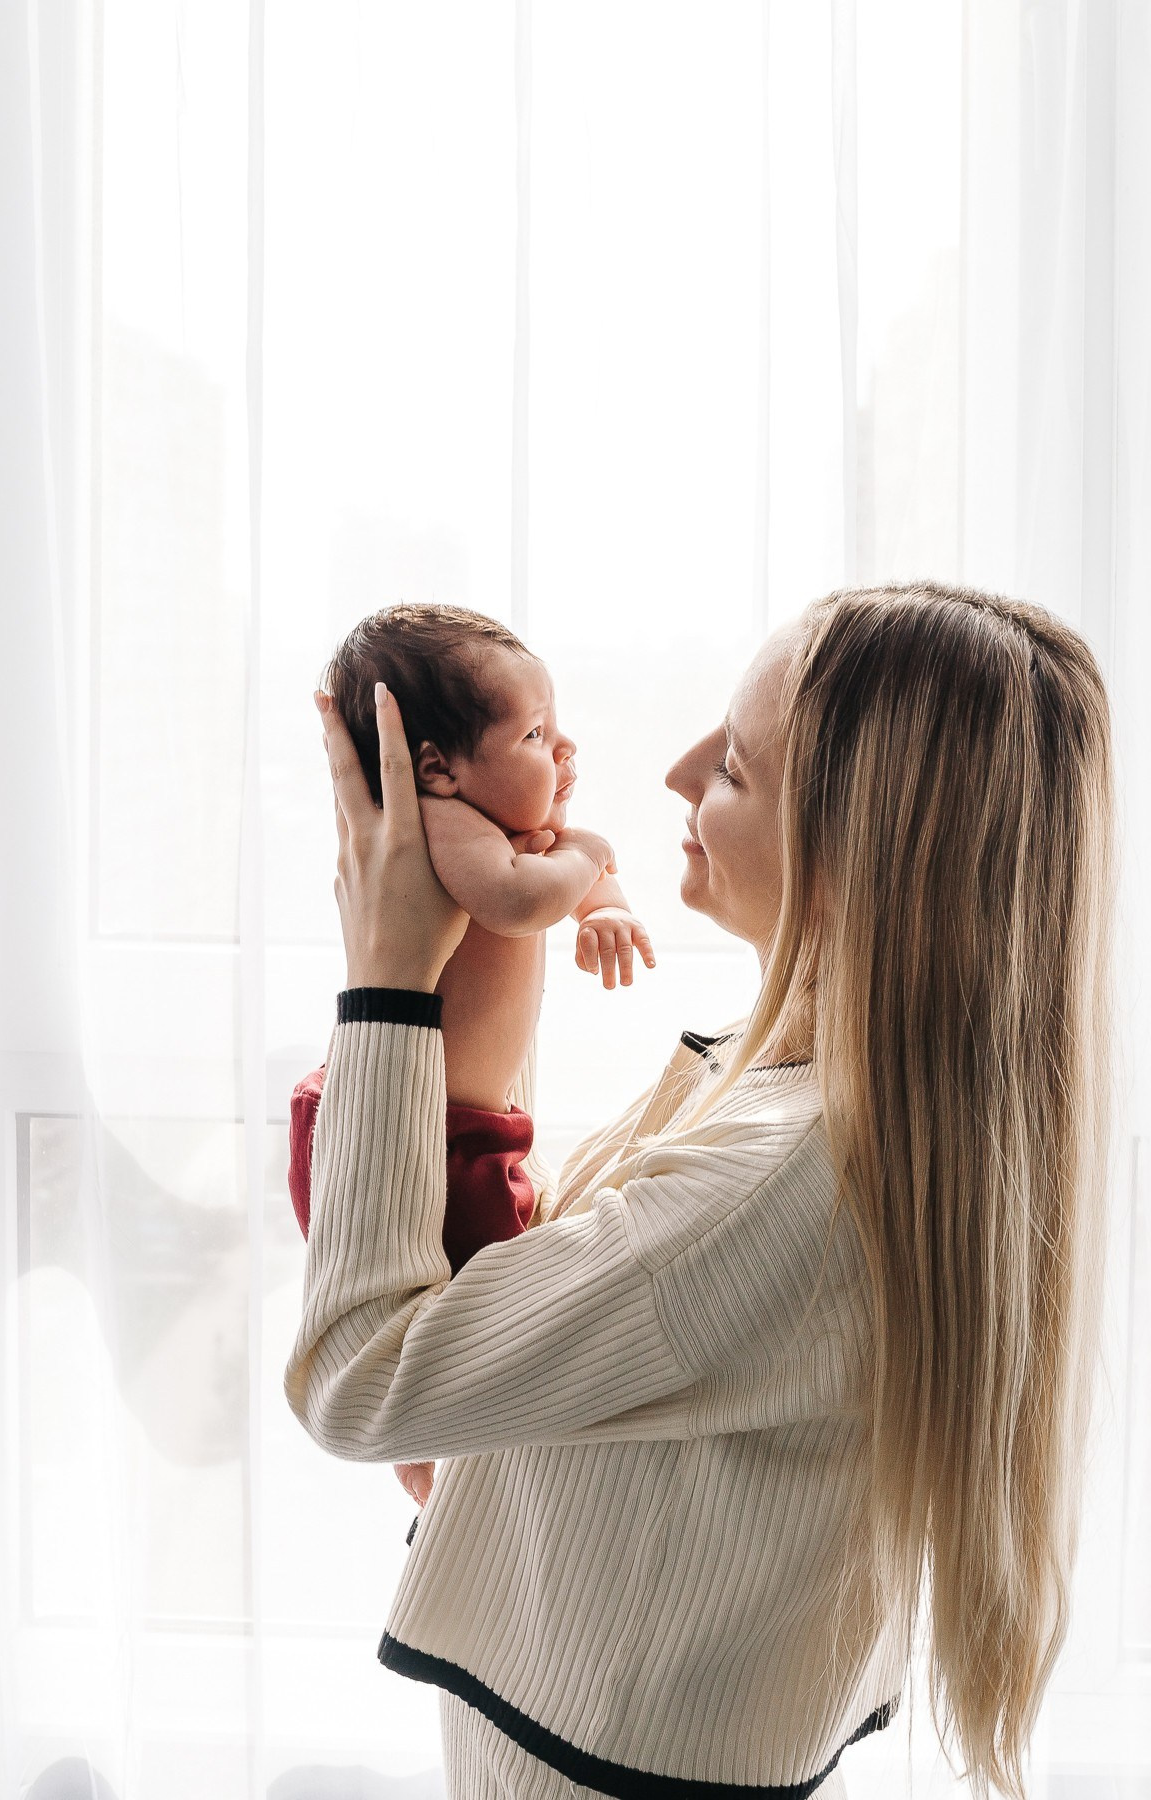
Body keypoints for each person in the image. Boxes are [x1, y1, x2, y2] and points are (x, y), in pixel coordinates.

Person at [284, 582, 1116, 1800]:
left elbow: (360, 1379)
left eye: (732, 766)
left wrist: (390, 981)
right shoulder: (826, 1079)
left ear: (854, 855)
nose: (674, 776)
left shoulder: (782, 1177)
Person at [286, 603, 655, 1518]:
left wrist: (602, 900)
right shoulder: (447, 830)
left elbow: (560, 879)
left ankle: (421, 1455)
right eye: (536, 734)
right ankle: (422, 1450)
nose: (565, 753)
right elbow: (519, 900)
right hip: (420, 1134)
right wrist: (590, 859)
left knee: (450, 1327)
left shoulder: (507, 822)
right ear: (437, 768)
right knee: (458, 1324)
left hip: (444, 1125)